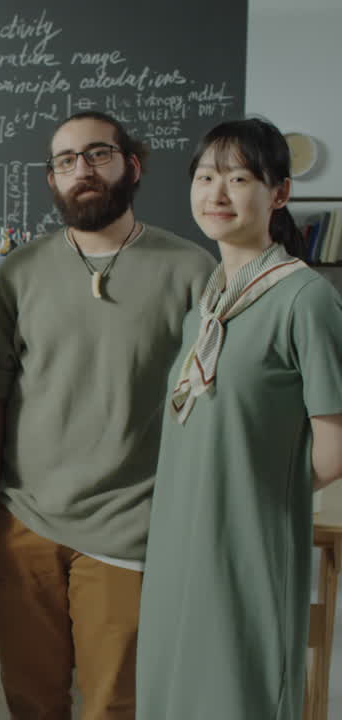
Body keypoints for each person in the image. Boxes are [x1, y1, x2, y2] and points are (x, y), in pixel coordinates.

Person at [0, 111, 215, 719]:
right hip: (24, 518)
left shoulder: (191, 271)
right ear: (51, 180)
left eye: (98, 154)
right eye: (65, 160)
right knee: (31, 699)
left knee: (115, 704)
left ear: (131, 166)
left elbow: (209, 404)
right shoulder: (20, 272)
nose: (82, 170)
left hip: (132, 525)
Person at [136, 118, 342, 720]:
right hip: (179, 538)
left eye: (239, 178)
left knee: (236, 696)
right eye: (205, 177)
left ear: (279, 193)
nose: (216, 194)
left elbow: (333, 447)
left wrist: (250, 498)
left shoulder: (305, 299)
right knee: (172, 692)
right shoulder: (209, 298)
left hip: (247, 543)